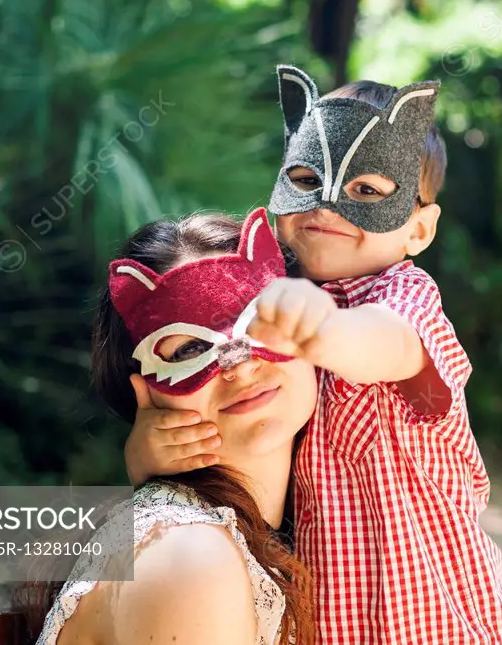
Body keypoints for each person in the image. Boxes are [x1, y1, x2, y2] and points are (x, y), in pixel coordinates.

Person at [126, 66, 502, 644]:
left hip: (438, 623)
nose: (329, 202)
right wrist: (146, 456)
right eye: (305, 175)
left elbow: (383, 344)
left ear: (418, 231)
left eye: (368, 189)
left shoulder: (402, 300)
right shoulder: (279, 304)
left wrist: (321, 331)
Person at [27, 207, 315, 645]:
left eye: (261, 322)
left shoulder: (312, 522)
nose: (239, 365)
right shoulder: (191, 553)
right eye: (188, 351)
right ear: (146, 396)